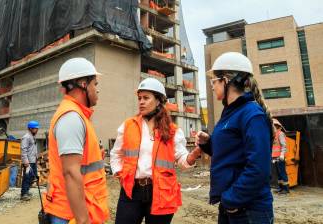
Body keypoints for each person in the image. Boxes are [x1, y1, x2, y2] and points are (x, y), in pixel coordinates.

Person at [196, 52, 274, 224]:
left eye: (214, 81)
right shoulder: (229, 113)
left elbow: (259, 168)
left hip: (248, 210)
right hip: (231, 206)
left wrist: (232, 199)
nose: (212, 85)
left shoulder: (251, 115)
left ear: (228, 81)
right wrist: (208, 143)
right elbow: (231, 153)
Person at [110, 77, 202, 224]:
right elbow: (116, 154)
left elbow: (183, 161)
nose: (141, 101)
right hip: (131, 191)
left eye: (146, 98)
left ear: (159, 101)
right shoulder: (128, 126)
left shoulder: (172, 131)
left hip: (161, 193)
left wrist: (196, 152)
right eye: (139, 98)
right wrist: (119, 173)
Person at [43, 58, 109, 224]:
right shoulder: (71, 117)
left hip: (79, 209)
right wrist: (83, 220)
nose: (97, 90)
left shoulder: (77, 115)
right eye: (95, 84)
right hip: (70, 215)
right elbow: (71, 173)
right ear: (83, 84)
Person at [20, 120, 39, 201]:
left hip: (33, 160)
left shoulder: (32, 136)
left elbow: (32, 148)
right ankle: (24, 194)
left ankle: (26, 191)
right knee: (27, 177)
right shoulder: (26, 137)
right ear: (30, 128)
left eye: (37, 128)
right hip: (28, 161)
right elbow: (23, 150)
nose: (37, 130)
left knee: (32, 176)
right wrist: (26, 162)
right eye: (35, 128)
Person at [272, 118, 289, 194]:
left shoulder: (280, 134)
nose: (273, 127)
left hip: (280, 157)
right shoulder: (273, 135)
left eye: (274, 126)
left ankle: (286, 189)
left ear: (278, 126)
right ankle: (280, 187)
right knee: (278, 173)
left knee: (282, 172)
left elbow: (283, 145)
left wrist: (282, 154)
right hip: (274, 157)